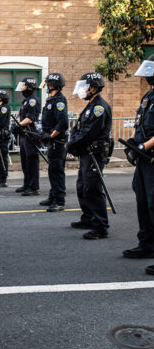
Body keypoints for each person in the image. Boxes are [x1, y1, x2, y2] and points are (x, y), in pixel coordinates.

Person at [67, 73, 112, 239]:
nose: (81, 91)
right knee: (82, 186)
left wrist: (71, 145)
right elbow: (78, 129)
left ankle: (100, 226)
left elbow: (88, 133)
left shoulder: (99, 107)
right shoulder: (90, 106)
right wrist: (73, 142)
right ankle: (88, 218)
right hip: (86, 153)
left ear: (93, 88)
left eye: (84, 87)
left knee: (92, 189)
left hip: (95, 154)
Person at [122, 55, 154, 261]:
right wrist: (133, 143)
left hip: (152, 158)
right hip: (143, 160)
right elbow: (139, 124)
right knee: (142, 202)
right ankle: (147, 245)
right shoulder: (148, 97)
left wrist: (144, 146)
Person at [39, 73, 69, 212]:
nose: (46, 86)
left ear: (52, 85)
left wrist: (51, 136)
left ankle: (59, 200)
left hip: (57, 141)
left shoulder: (59, 101)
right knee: (52, 171)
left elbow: (62, 123)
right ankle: (53, 196)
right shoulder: (51, 100)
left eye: (47, 84)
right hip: (52, 141)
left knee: (57, 171)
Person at [14, 77, 41, 196]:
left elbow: (30, 118)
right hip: (25, 134)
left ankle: (33, 186)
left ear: (30, 87)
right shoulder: (26, 100)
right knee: (25, 161)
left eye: (24, 85)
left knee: (31, 162)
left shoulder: (33, 100)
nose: (22, 88)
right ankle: (26, 184)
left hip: (31, 133)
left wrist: (18, 125)